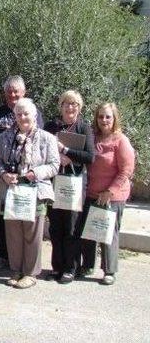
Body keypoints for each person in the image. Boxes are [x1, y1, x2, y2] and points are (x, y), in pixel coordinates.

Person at [0, 98, 59, 289]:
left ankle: (31, 273)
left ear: (34, 115)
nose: (22, 117)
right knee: (13, 232)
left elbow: (54, 165)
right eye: (18, 114)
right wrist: (4, 175)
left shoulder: (47, 138)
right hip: (13, 190)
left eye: (26, 114)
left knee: (32, 233)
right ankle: (16, 269)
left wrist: (35, 174)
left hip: (36, 190)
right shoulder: (6, 137)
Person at [0, 75, 44, 270]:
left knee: (24, 219)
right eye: (9, 91)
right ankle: (2, 254)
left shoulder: (34, 113)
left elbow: (39, 144)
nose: (12, 94)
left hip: (27, 179)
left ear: (23, 92)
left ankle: (25, 265)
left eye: (16, 91)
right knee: (0, 218)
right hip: (2, 176)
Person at [43, 90, 95, 284]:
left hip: (74, 185)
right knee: (55, 227)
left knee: (72, 227)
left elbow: (90, 157)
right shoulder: (51, 126)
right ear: (61, 106)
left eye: (74, 104)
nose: (70, 107)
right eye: (66, 103)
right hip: (54, 182)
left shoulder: (84, 128)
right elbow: (43, 150)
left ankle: (70, 268)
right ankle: (57, 267)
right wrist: (58, 157)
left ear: (79, 107)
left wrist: (66, 151)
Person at [81, 102, 135, 285]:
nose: (104, 120)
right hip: (92, 193)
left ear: (114, 118)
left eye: (108, 116)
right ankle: (87, 265)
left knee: (109, 233)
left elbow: (126, 170)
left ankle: (109, 270)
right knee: (88, 230)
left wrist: (110, 192)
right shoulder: (93, 138)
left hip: (114, 195)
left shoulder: (121, 140)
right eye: (100, 116)